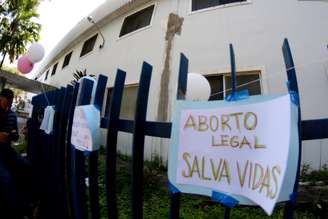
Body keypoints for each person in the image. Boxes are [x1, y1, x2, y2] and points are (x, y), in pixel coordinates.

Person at [0, 88, 33, 219]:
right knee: (6, 178)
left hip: (7, 150)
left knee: (26, 166)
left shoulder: (12, 115)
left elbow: (15, 138)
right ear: (0, 99)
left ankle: (27, 202)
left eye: (10, 103)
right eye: (5, 104)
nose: (8, 107)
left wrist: (14, 135)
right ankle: (16, 211)